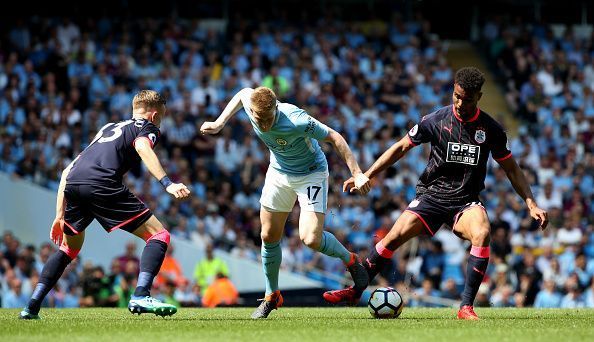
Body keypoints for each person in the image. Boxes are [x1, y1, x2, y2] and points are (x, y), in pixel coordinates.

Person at [323, 67, 548, 320]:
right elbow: (400, 148)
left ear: (479, 97)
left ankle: (465, 307)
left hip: (465, 201)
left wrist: (531, 203)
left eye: (468, 99)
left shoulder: (491, 129)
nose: (461, 103)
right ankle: (356, 291)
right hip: (431, 196)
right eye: (457, 96)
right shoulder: (436, 120)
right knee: (393, 236)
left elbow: (512, 169)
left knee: (483, 231)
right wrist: (366, 174)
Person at [200, 86, 370, 319]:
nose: (262, 124)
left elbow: (334, 137)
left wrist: (357, 172)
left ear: (276, 108)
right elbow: (242, 93)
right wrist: (220, 123)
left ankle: (350, 259)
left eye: (267, 119)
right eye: (258, 119)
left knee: (310, 238)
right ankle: (272, 295)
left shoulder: (296, 119)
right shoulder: (253, 106)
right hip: (279, 173)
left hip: (311, 172)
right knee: (268, 235)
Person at [19, 90, 191, 319]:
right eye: (162, 117)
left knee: (68, 248)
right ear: (154, 115)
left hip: (74, 182)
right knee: (159, 236)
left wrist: (59, 214)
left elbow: (67, 170)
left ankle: (31, 307)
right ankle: (140, 295)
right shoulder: (147, 128)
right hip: (101, 182)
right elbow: (142, 146)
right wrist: (167, 183)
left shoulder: (107, 128)